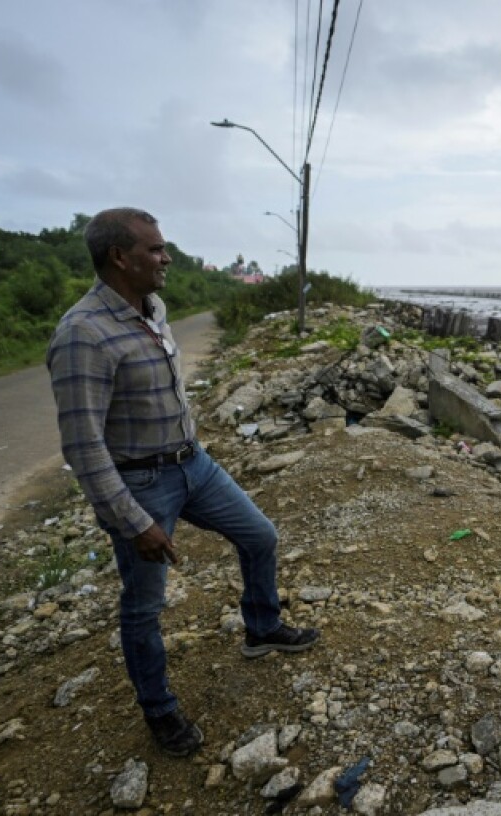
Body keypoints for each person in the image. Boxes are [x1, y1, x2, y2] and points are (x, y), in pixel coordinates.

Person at [47, 207, 319, 757]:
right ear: (119, 257)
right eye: (154, 249)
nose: (166, 257)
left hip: (194, 464)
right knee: (144, 606)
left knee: (260, 536)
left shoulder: (153, 308)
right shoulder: (83, 335)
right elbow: (83, 446)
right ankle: (159, 710)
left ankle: (262, 627)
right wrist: (133, 521)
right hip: (142, 482)